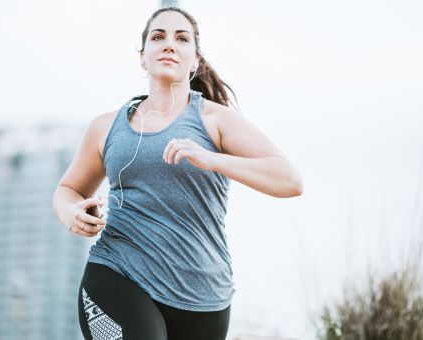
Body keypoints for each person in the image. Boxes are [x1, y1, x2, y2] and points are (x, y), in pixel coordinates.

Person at [51, 6, 303, 340]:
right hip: (118, 273)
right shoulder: (105, 127)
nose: (169, 44)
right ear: (143, 57)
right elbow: (68, 188)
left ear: (195, 59)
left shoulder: (214, 120)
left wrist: (212, 159)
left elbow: (289, 180)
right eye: (158, 37)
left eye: (181, 38)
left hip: (204, 298)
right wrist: (72, 213)